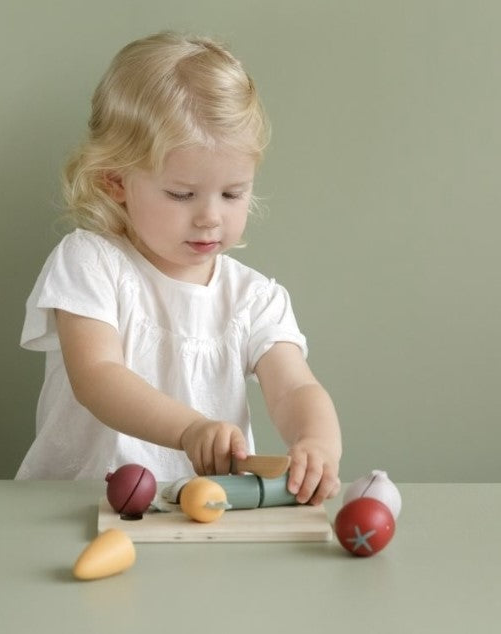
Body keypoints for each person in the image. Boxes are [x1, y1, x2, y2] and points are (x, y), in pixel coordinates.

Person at [17, 31, 342, 505]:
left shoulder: (253, 298)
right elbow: (98, 375)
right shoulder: (90, 262)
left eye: (233, 194)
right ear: (116, 182)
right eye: (182, 194)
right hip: (76, 506)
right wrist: (190, 429)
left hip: (201, 514)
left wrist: (317, 444)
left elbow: (294, 387)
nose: (210, 216)